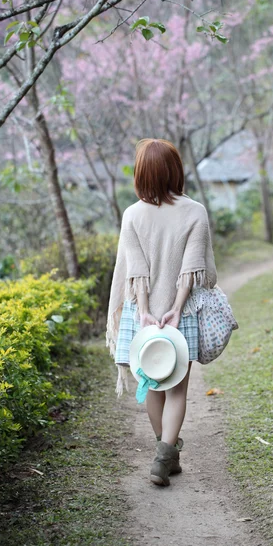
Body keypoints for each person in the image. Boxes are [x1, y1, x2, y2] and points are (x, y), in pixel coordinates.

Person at [106, 138, 217, 486]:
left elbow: (135, 270)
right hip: (178, 317)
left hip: (143, 319)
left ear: (141, 174)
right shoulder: (195, 210)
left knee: (153, 386)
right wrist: (176, 307)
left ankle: (163, 455)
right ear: (175, 171)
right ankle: (165, 455)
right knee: (178, 390)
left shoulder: (132, 215)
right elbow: (191, 270)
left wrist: (143, 312)